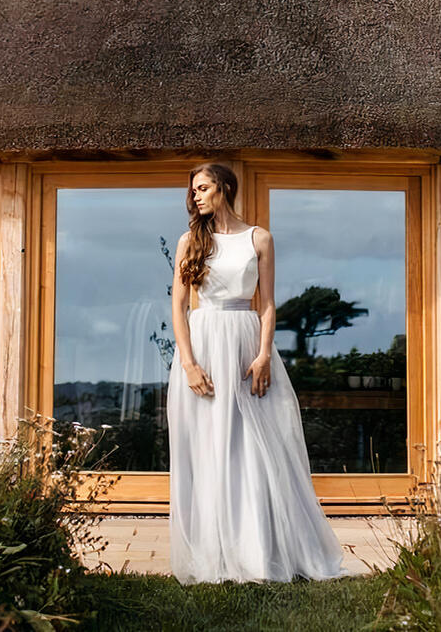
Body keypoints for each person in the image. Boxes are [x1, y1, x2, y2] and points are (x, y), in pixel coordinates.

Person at [166, 162, 346, 583]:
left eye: (204, 188)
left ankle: (259, 549)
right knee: (208, 447)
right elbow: (178, 307)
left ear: (225, 189)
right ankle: (215, 553)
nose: (196, 196)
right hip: (204, 342)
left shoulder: (258, 238)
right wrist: (189, 363)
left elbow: (266, 303)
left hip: (247, 346)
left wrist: (265, 354)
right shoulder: (188, 241)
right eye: (193, 190)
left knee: (258, 446)